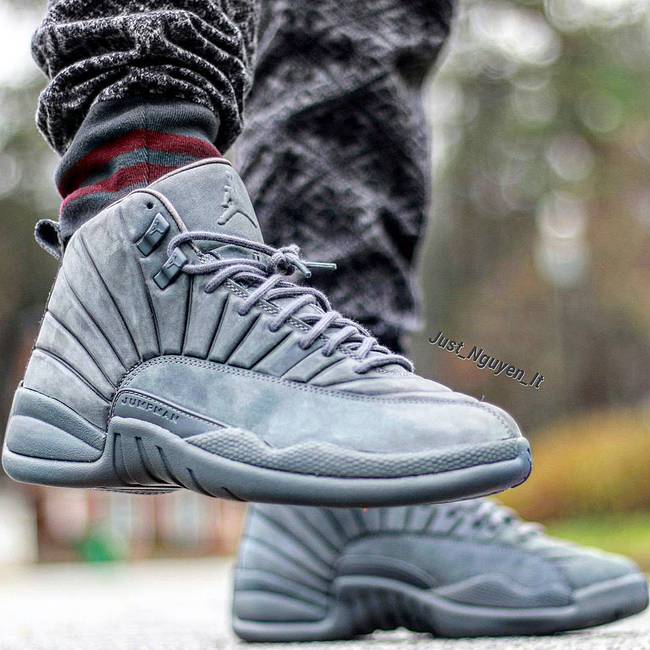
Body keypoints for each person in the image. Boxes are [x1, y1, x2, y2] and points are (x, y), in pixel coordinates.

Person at [3, 0, 648, 640]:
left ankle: (339, 499)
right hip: (145, 221)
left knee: (363, 19)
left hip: (293, 308)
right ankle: (138, 205)